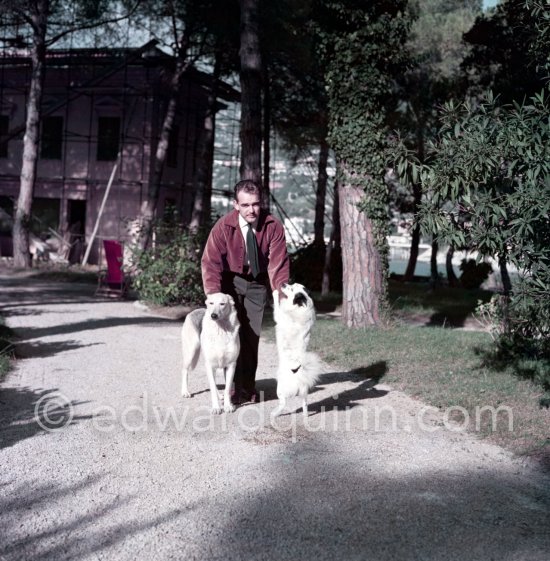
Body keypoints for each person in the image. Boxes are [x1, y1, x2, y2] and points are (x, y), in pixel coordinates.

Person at [201, 179, 290, 404]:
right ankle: (231, 388)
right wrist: (213, 293)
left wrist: (281, 294)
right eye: (246, 205)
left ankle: (246, 388)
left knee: (251, 336)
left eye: (256, 204)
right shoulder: (223, 226)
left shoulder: (273, 226)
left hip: (257, 284)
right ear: (236, 205)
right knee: (230, 333)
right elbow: (210, 262)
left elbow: (278, 265)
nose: (252, 210)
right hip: (231, 282)